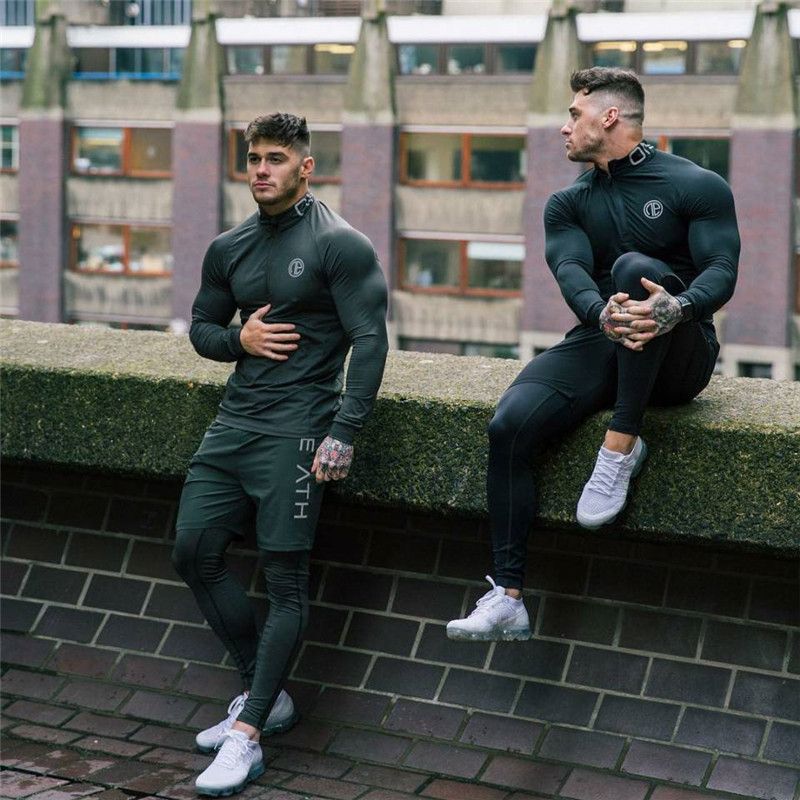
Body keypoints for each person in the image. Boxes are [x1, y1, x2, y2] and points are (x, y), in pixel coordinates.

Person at [447, 67, 739, 641]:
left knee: (633, 269)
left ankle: (620, 445)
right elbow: (571, 271)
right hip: (604, 336)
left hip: (682, 351)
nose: (564, 127)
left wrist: (678, 307)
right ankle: (507, 598)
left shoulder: (695, 184)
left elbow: (722, 270)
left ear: (609, 116)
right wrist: (600, 313)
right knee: (509, 425)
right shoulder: (568, 203)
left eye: (573, 114)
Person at [171, 112, 389, 795]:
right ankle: (265, 696)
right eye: (254, 159)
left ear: (305, 167)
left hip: (301, 429)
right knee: (193, 552)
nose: (262, 170)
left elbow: (371, 340)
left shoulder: (339, 244)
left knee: (285, 582)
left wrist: (344, 431)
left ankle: (248, 735)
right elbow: (201, 328)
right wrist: (239, 341)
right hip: (234, 423)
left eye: (276, 158)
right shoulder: (229, 247)